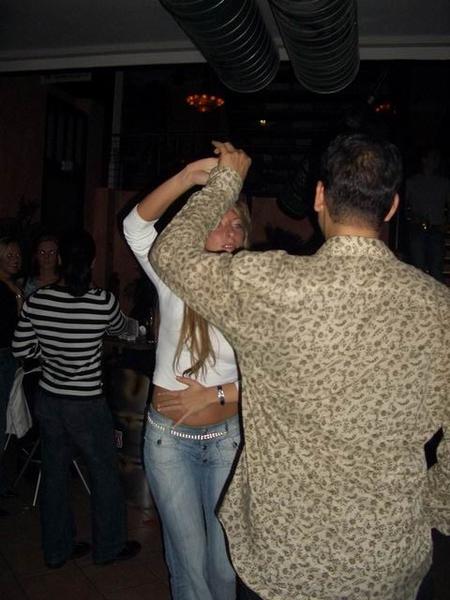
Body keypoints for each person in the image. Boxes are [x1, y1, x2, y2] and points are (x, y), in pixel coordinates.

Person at [149, 136, 450, 600]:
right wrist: (429, 507)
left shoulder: (269, 285)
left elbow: (168, 254)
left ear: (319, 197)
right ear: (392, 206)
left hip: (281, 558)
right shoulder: (439, 309)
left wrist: (225, 182)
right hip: (387, 557)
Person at [123, 158, 251, 600]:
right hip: (170, 443)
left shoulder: (254, 289)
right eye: (218, 224)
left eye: (237, 226)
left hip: (228, 439)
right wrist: (186, 177)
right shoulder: (174, 275)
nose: (230, 234)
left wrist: (217, 394)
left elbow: (282, 374)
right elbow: (135, 228)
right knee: (190, 568)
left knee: (225, 567)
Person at [12, 230, 141, 568]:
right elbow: (123, 329)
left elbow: (20, 348)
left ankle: (58, 550)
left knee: (54, 475)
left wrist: (48, 352)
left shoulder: (38, 301)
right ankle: (109, 547)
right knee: (104, 473)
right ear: (93, 262)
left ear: (60, 260)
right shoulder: (102, 301)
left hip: (50, 400)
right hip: (87, 403)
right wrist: (138, 329)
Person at [0, 237, 23, 515]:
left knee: (8, 422)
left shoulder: (13, 287)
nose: (15, 259)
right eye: (9, 255)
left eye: (17, 254)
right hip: (3, 357)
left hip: (9, 358)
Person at [406, 147, 450, 282]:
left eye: (436, 158)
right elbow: (405, 207)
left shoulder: (444, 183)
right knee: (418, 268)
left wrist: (446, 224)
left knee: (436, 269)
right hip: (418, 228)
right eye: (432, 158)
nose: (435, 161)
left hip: (437, 228)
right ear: (424, 160)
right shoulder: (412, 182)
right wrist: (412, 217)